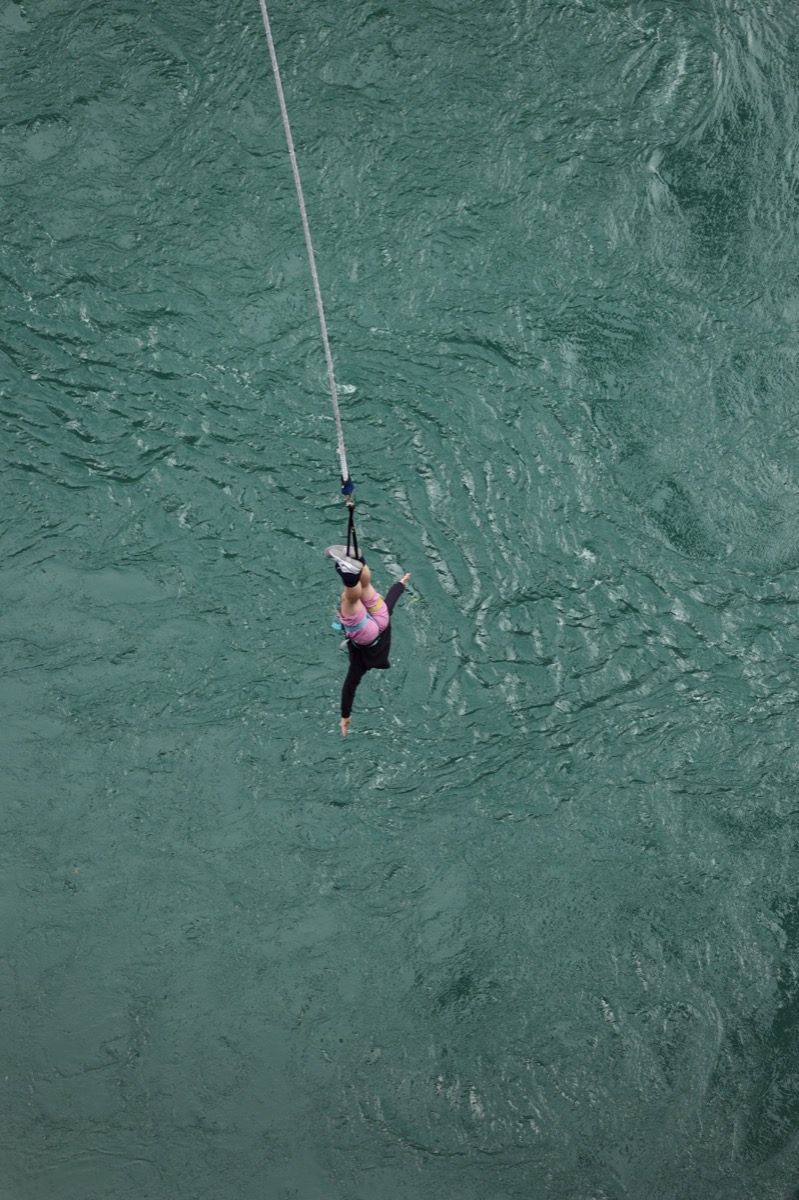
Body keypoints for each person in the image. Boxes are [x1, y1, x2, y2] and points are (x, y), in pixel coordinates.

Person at [326, 549, 410, 736]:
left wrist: (400, 584)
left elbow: (392, 600)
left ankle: (360, 560)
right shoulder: (360, 664)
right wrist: (345, 716)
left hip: (382, 618)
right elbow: (348, 688)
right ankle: (347, 572)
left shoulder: (383, 651)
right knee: (349, 599)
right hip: (366, 635)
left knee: (366, 586)